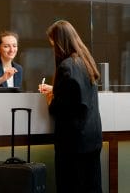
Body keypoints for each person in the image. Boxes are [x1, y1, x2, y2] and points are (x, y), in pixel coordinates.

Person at [39, 20, 103, 193]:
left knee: (70, 186)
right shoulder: (85, 61)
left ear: (59, 41)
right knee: (91, 186)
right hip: (92, 138)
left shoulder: (65, 66)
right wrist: (57, 89)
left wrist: (50, 99)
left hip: (73, 142)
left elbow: (61, 109)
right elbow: (80, 94)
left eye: (53, 42)